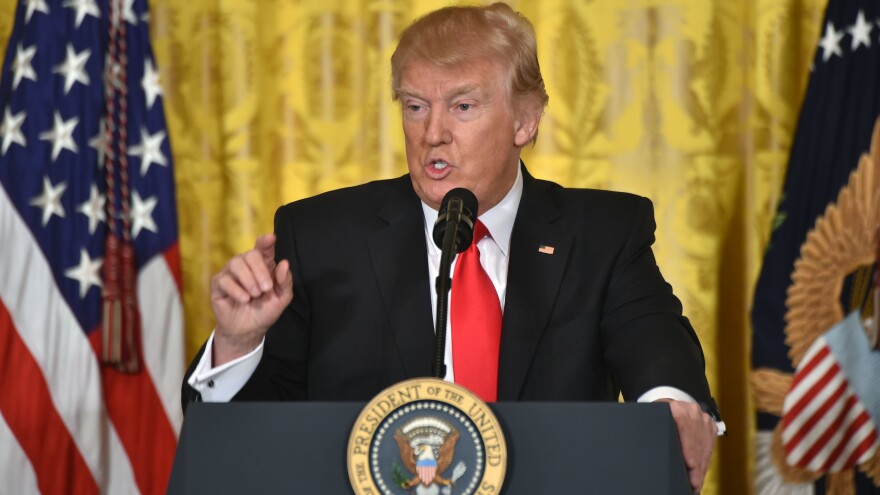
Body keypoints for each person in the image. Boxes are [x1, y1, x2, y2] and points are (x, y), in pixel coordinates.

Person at [182, 3, 722, 491]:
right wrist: (236, 345)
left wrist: (671, 410)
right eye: (416, 106)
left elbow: (653, 344)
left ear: (525, 120)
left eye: (462, 107)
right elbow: (249, 442)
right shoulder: (320, 236)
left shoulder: (602, 232)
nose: (433, 133)